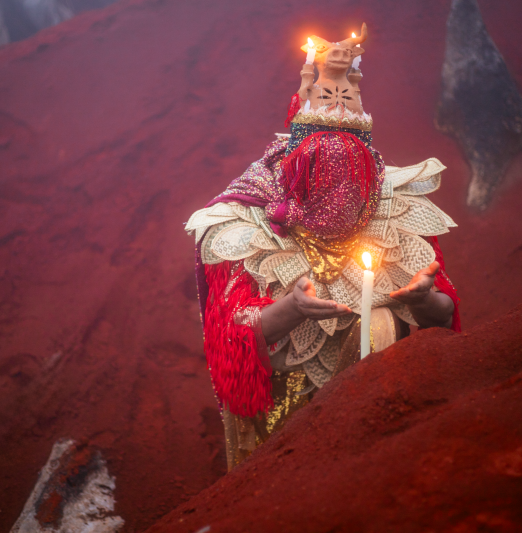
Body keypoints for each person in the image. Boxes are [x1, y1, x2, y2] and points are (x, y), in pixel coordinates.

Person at [185, 24, 460, 471]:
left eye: (352, 178)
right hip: (288, 424)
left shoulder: (398, 207)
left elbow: (445, 314)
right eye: (320, 176)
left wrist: (426, 299)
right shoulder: (240, 222)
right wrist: (290, 308)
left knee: (385, 324)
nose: (339, 196)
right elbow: (229, 334)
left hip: (393, 420)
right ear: (294, 168)